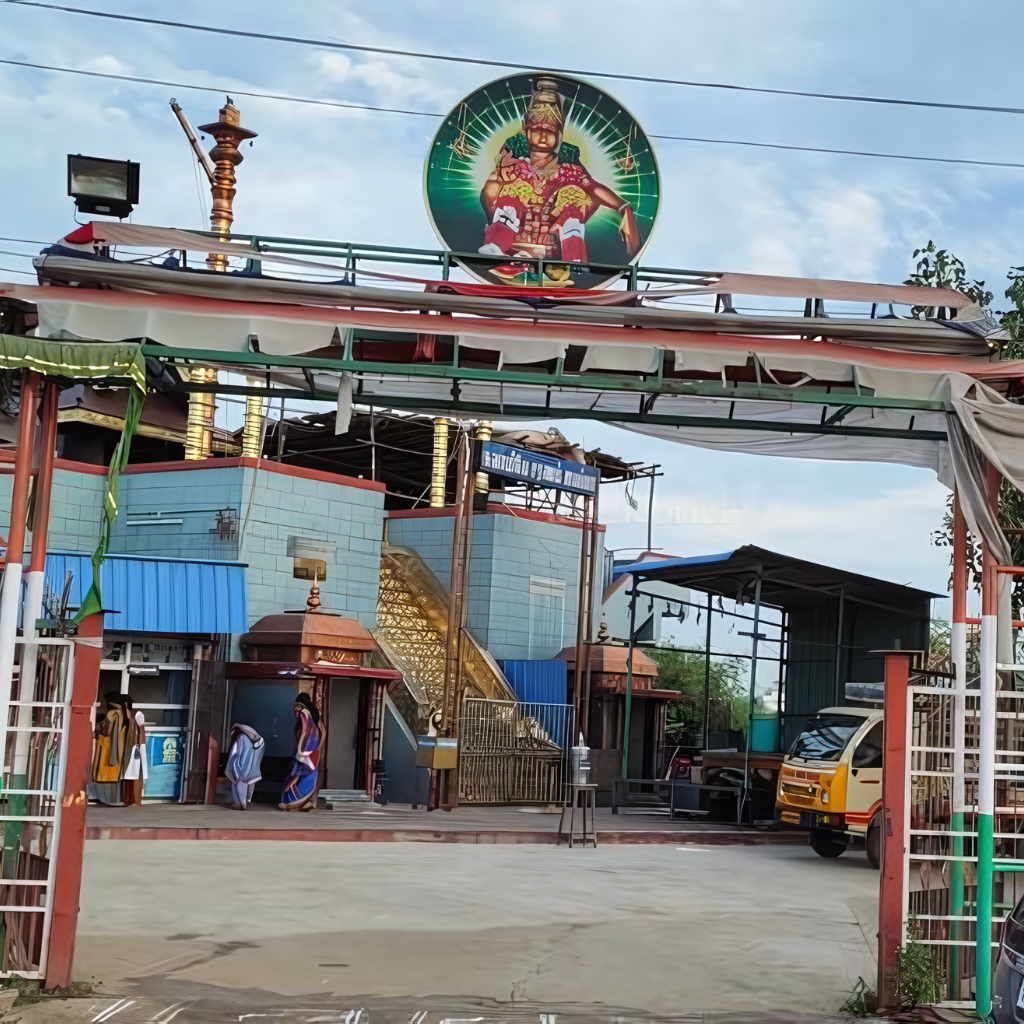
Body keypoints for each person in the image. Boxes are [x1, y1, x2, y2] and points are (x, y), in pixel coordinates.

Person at [479, 76, 641, 285]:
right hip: (515, 246)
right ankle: (497, 250)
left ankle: (572, 260)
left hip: (554, 248)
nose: (543, 138)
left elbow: (593, 188)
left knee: (574, 195)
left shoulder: (568, 171)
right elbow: (488, 194)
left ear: (559, 135)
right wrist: (501, 173)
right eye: (536, 131)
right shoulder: (516, 168)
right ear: (526, 130)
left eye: (549, 132)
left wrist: (623, 207)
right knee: (513, 190)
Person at [279, 692, 323, 812]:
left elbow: (319, 735)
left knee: (305, 778)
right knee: (297, 778)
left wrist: (316, 749)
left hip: (307, 755)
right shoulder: (301, 723)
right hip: (301, 755)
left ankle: (305, 802)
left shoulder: (310, 721)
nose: (296, 711)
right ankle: (301, 803)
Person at [225, 723, 265, 810]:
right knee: (246, 783)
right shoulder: (259, 740)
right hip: (252, 770)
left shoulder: (241, 737)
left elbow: (236, 753)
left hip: (240, 768)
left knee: (236, 783)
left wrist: (233, 767)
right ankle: (244, 801)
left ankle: (239, 804)